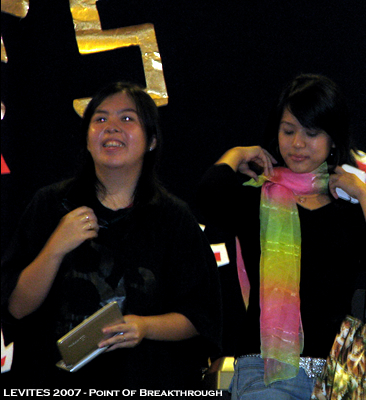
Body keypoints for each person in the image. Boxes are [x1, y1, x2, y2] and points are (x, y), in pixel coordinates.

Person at [198, 74, 366, 399]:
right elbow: (207, 199)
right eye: (288, 131)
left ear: (333, 140)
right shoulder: (256, 197)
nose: (297, 143)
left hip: (340, 376)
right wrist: (236, 154)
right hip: (264, 373)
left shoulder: (349, 209)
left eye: (312, 133)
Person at [1, 82, 222, 390]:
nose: (112, 127)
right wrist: (55, 248)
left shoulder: (174, 219)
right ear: (87, 139)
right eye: (101, 119)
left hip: (148, 383)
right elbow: (16, 306)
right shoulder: (51, 206)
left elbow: (201, 317)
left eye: (127, 118)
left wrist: (145, 327)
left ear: (152, 141)